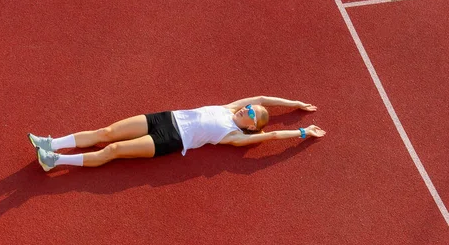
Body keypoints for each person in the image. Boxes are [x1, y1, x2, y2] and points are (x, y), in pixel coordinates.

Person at [28, 95, 326, 171]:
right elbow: (263, 98)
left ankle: (54, 160)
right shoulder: (228, 107)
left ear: (251, 127)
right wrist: (295, 103)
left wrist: (302, 131)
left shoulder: (235, 136)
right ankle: (52, 142)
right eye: (248, 107)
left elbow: (272, 137)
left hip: (170, 140)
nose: (247, 109)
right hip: (164, 118)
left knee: (113, 151)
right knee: (106, 131)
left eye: (251, 114)